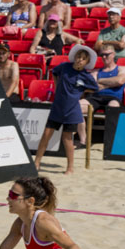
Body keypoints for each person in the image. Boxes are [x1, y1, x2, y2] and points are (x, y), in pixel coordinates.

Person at [34, 45, 99, 175]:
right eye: (79, 57)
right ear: (75, 57)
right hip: (57, 107)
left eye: (83, 59)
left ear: (87, 62)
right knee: (46, 135)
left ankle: (70, 167)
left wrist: (81, 91)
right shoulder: (64, 67)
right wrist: (57, 87)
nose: (80, 60)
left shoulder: (85, 76)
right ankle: (36, 162)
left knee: (67, 138)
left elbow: (95, 88)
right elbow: (54, 72)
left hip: (72, 110)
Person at [76, 44, 125, 147]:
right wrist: (112, 83)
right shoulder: (96, 71)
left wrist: (101, 81)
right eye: (102, 55)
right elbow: (92, 85)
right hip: (96, 97)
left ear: (113, 55)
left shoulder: (122, 68)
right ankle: (83, 140)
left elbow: (120, 80)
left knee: (113, 107)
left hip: (113, 97)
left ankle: (111, 140)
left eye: (107, 55)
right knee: (76, 106)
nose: (104, 57)